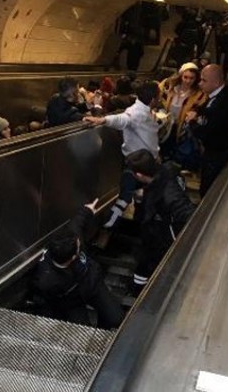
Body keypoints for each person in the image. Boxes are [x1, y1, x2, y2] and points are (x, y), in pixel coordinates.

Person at [32, 199, 124, 329]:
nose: (79, 241)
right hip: (71, 300)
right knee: (82, 329)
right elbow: (47, 301)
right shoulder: (46, 279)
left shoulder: (69, 240)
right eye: (78, 246)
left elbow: (77, 223)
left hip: (92, 284)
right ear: (74, 256)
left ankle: (102, 330)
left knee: (115, 317)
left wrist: (88, 210)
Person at [84, 80, 161, 231]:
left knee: (139, 195)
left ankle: (137, 220)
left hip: (147, 161)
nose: (159, 99)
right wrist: (102, 120)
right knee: (127, 194)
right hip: (137, 163)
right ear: (153, 99)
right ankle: (109, 224)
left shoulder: (144, 109)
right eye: (158, 97)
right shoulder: (137, 112)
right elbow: (123, 119)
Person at [125, 150, 196, 293]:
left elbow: (187, 214)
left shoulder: (168, 194)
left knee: (148, 261)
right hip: (156, 228)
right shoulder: (166, 172)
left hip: (163, 235)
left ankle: (138, 289)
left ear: (139, 175)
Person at [184, 64, 228, 197]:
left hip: (217, 152)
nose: (200, 83)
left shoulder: (224, 101)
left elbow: (205, 131)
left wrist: (191, 121)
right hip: (214, 149)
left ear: (216, 82)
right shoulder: (223, 92)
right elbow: (206, 108)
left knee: (208, 186)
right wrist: (197, 111)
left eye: (204, 80)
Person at [160, 63, 208, 169]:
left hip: (181, 129)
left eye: (191, 78)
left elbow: (201, 110)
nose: (187, 81)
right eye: (185, 77)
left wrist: (194, 115)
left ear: (196, 79)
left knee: (176, 152)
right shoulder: (169, 86)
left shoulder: (199, 94)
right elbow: (157, 97)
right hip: (166, 125)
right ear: (181, 75)